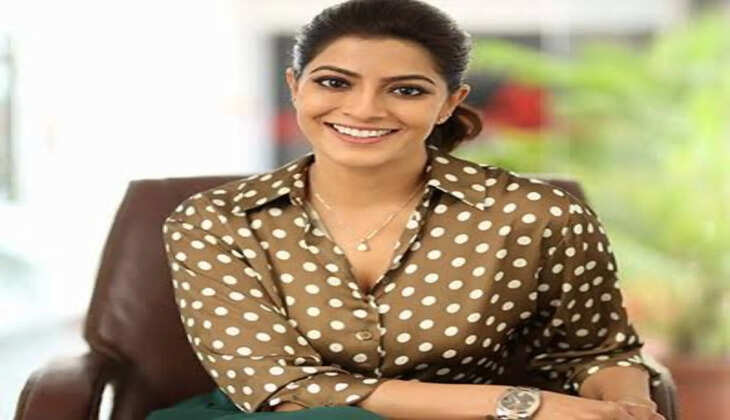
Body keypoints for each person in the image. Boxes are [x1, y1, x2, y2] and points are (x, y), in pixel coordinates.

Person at [148, 0, 666, 419]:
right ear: (294, 87)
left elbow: (595, 354)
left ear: (449, 103)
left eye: (406, 90)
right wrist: (521, 405)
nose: (364, 109)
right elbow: (282, 387)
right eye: (334, 82)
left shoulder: (537, 216)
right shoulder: (217, 220)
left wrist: (631, 409)